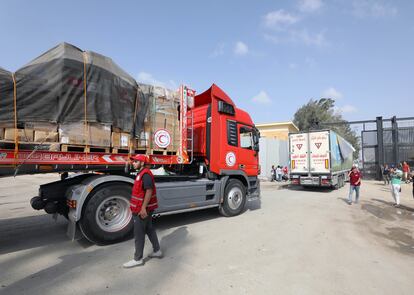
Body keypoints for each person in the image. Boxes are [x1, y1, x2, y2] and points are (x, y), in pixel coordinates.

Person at [123, 154, 162, 268]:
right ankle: (157, 251)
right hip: (142, 208)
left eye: (135, 161)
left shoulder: (145, 175)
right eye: (133, 161)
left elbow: (149, 191)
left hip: (142, 209)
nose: (133, 163)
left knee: (139, 234)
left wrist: (143, 208)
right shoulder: (142, 173)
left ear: (142, 163)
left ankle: (138, 259)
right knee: (149, 229)